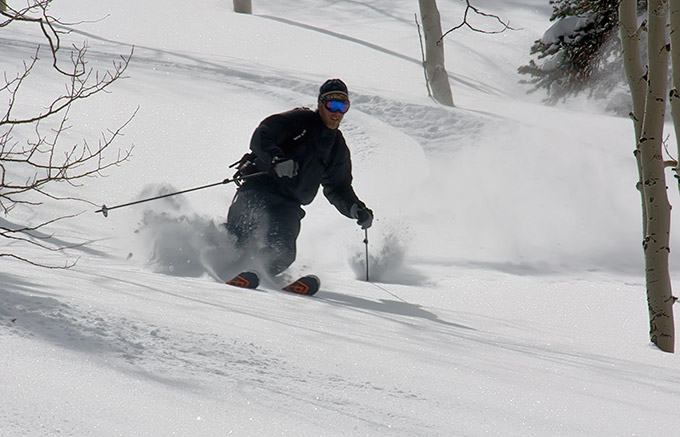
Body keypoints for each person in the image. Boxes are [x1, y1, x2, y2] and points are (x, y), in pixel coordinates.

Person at [225, 78, 374, 277]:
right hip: (259, 190)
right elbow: (262, 135)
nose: (337, 112)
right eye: (332, 104)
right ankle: (218, 266)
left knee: (283, 253)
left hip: (289, 205)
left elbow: (338, 187)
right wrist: (277, 160)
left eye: (343, 106)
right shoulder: (299, 120)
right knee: (238, 239)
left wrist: (355, 208)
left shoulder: (337, 148)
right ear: (320, 104)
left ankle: (254, 274)